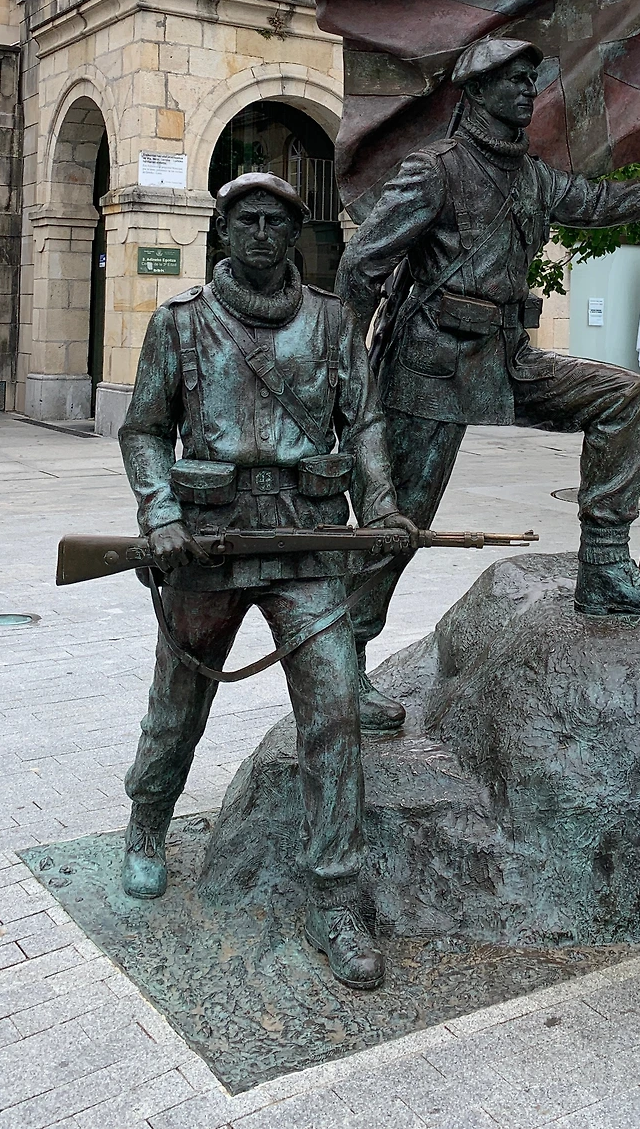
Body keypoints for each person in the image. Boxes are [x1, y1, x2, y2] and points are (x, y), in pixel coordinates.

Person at [336, 38, 640, 735]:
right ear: (475, 91)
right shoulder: (435, 171)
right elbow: (360, 270)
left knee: (624, 395)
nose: (528, 89)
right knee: (395, 526)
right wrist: (347, 382)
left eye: (532, 78)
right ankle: (341, 666)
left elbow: (605, 202)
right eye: (513, 79)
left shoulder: (531, 177)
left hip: (505, 357)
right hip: (430, 370)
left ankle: (605, 569)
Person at [117, 172, 416, 991]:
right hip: (209, 543)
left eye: (275, 222)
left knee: (335, 710)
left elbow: (364, 423)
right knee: (178, 700)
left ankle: (336, 899)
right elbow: (144, 431)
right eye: (245, 219)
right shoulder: (179, 323)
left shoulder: (332, 323)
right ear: (221, 231)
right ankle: (147, 823)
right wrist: (159, 515)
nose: (259, 232)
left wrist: (382, 504)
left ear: (294, 235)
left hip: (306, 543)